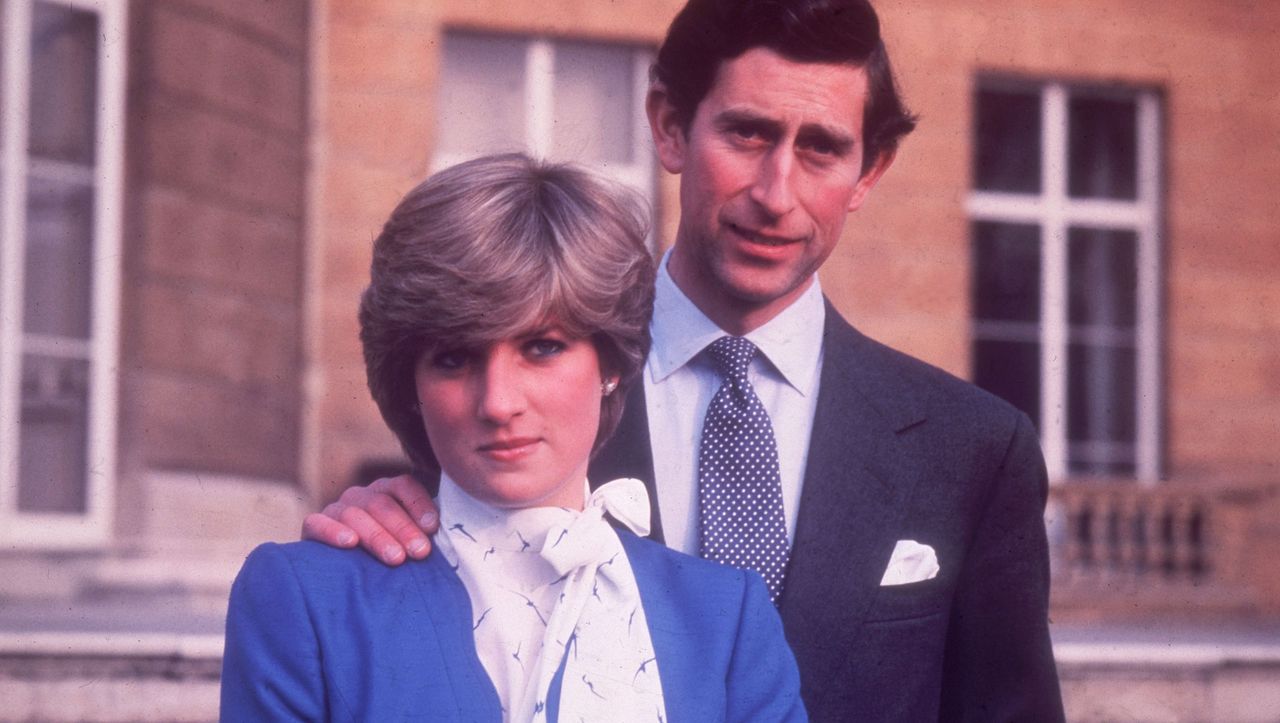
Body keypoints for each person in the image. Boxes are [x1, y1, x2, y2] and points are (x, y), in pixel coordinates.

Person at [303, 1, 1066, 719]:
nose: (777, 192)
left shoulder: (973, 451)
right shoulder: (521, 400)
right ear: (669, 127)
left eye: (822, 149)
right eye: (748, 134)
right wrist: (378, 521)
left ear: (869, 170)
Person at [221, 154, 806, 721]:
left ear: (610, 364)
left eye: (542, 347)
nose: (498, 403)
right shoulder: (306, 598)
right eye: (453, 358)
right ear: (410, 385)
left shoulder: (725, 618)